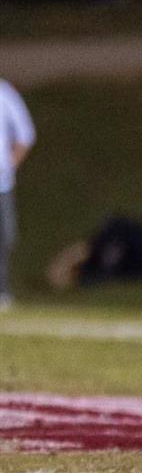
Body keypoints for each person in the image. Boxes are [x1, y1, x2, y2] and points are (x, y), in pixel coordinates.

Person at [0, 78, 36, 309]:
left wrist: (8, 165)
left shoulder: (4, 94)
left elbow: (25, 134)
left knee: (4, 238)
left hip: (1, 184)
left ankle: (1, 291)